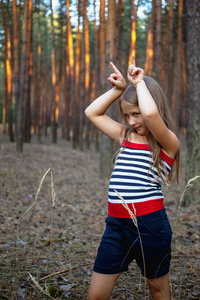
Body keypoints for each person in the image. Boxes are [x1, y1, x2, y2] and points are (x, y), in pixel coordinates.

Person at [85, 56, 180, 300]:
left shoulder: (167, 143)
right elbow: (92, 113)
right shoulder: (126, 137)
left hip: (150, 226)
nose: (132, 121)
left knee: (158, 292)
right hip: (116, 227)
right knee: (95, 295)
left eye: (135, 114)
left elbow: (150, 114)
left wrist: (138, 83)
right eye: (127, 116)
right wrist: (118, 90)